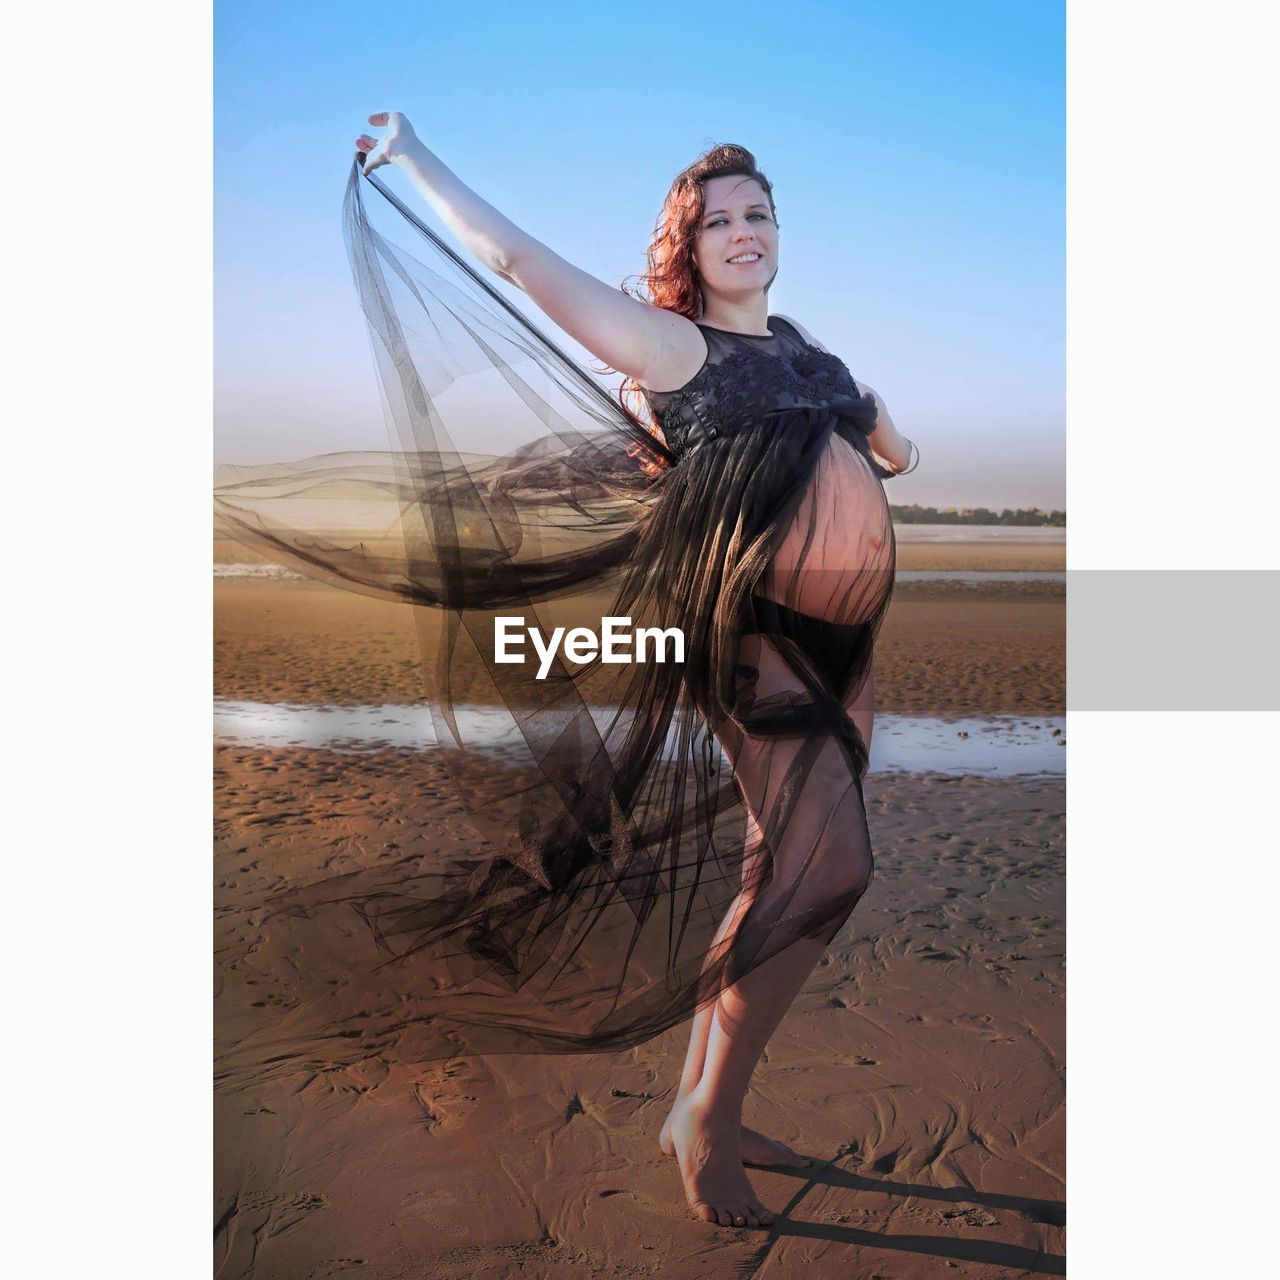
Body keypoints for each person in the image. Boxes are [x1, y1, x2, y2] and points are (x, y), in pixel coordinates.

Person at [215, 111, 918, 1232]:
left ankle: (706, 1104)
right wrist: (411, 154)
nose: (741, 231)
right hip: (759, 640)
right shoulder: (675, 348)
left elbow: (887, 443)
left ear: (779, 231)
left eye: (756, 213)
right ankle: (707, 1118)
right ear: (687, 249)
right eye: (717, 220)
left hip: (849, 646)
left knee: (771, 871)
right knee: (827, 875)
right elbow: (515, 259)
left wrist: (886, 440)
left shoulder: (806, 350)